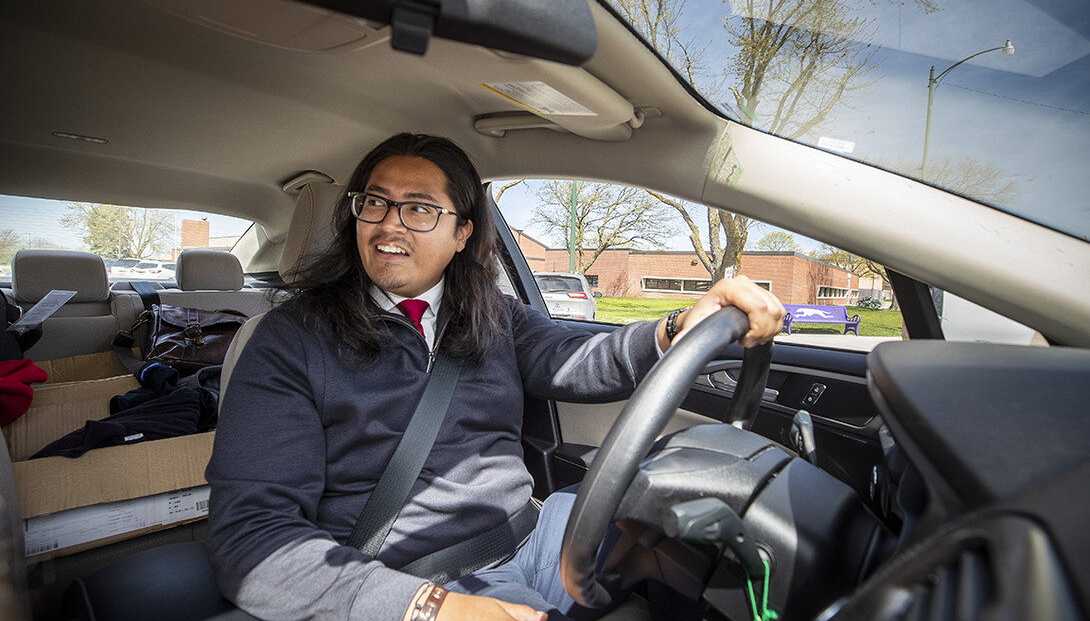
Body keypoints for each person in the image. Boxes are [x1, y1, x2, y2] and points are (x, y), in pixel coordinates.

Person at [205, 133, 785, 621]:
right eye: (374, 203)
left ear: (462, 233)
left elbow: (578, 361)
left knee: (706, 521)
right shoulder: (289, 340)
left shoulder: (492, 312)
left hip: (535, 534)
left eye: (419, 208)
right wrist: (433, 607)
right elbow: (252, 539)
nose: (389, 226)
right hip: (412, 578)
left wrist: (683, 322)